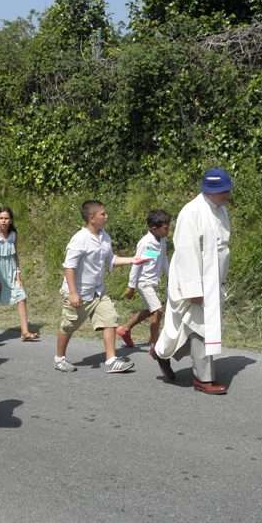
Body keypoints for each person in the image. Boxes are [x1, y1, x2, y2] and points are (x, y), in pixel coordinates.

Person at [152, 168, 233, 394]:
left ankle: (160, 352)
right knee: (201, 326)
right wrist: (193, 289)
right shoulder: (192, 212)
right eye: (223, 191)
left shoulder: (221, 210)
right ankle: (203, 379)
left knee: (181, 327)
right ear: (211, 191)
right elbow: (186, 252)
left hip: (212, 278)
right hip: (195, 279)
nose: (227, 195)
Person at [54, 200, 145, 374]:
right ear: (91, 218)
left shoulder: (104, 236)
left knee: (110, 318)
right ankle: (59, 358)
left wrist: (133, 260)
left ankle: (111, 360)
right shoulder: (79, 239)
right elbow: (69, 267)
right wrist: (73, 293)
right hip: (79, 293)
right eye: (102, 214)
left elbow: (111, 259)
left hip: (98, 291)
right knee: (68, 326)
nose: (106, 216)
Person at [0, 206, 38, 341]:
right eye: (1, 218)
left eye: (6, 218)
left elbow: (15, 256)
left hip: (10, 271)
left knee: (21, 296)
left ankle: (25, 332)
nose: (4, 221)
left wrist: (18, 275)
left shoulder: (13, 235)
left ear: (11, 220)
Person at [117, 210, 171, 349]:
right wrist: (131, 286)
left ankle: (125, 329)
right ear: (154, 228)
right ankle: (155, 343)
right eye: (165, 228)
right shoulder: (145, 243)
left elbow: (164, 258)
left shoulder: (162, 240)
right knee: (157, 311)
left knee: (151, 308)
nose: (168, 230)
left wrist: (171, 277)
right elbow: (137, 263)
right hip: (144, 282)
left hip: (155, 282)